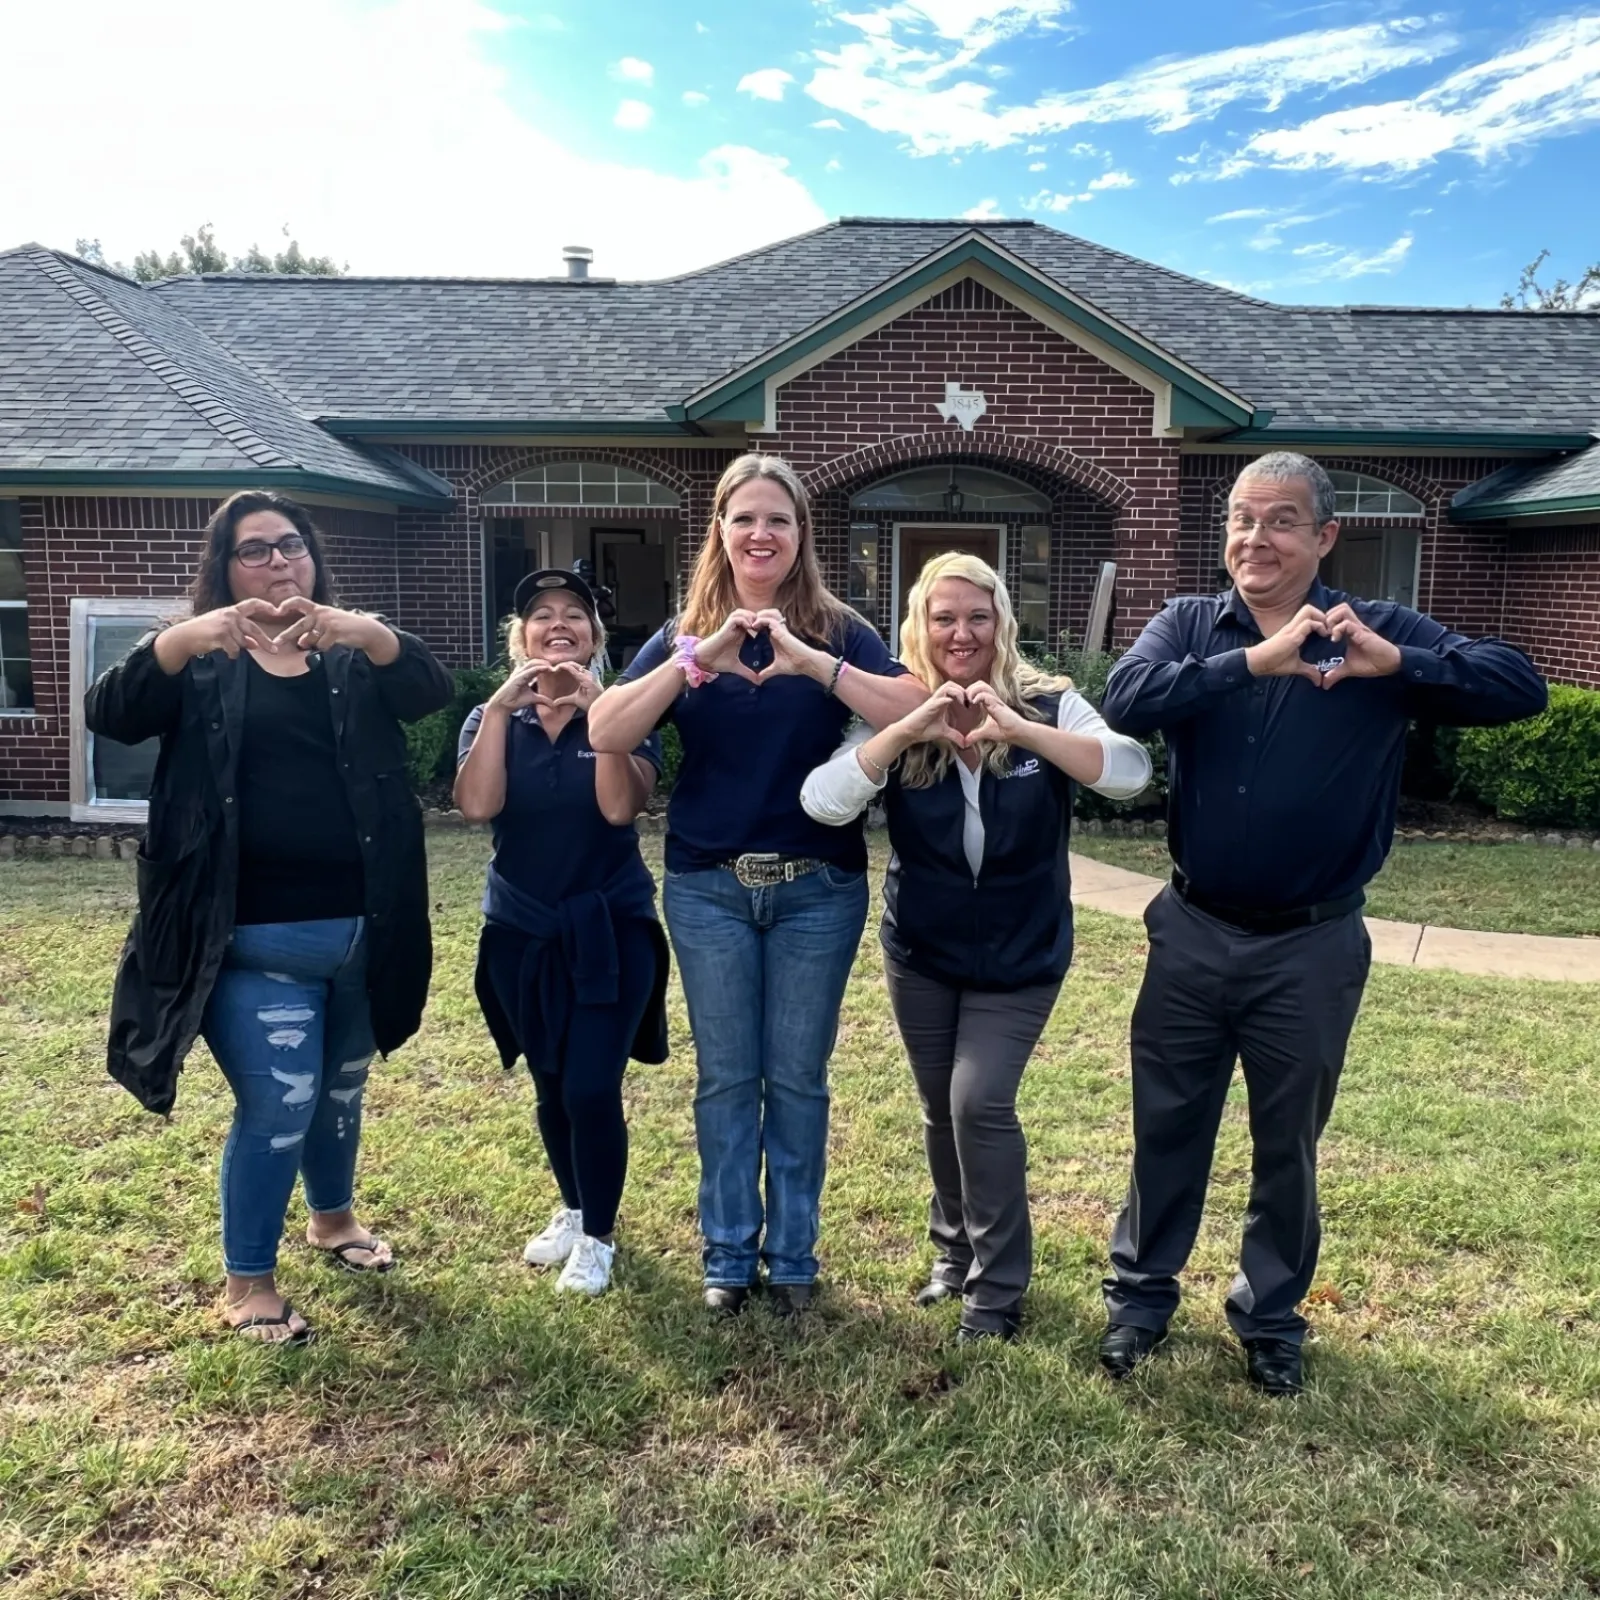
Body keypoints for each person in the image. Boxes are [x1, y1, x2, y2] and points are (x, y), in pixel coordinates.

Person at [1097, 451, 1548, 1395]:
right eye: (1241, 519)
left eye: (1281, 521)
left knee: (1287, 1138)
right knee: (1167, 1124)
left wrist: (1400, 663)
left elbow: (1519, 686)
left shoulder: (1375, 631)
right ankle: (1140, 1301)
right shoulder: (1188, 623)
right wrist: (1249, 663)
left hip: (1312, 941)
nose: (1255, 539)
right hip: (1190, 928)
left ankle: (1269, 1317)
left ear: (1325, 536)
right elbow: (1124, 703)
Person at [85, 490, 453, 1345]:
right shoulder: (199, 664)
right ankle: (248, 1279)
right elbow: (111, 711)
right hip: (250, 945)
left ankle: (333, 1220)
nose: (278, 561)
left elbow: (429, 688)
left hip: (364, 931)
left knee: (340, 1091)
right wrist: (181, 640)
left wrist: (365, 629)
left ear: (314, 558)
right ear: (225, 569)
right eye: (255, 550)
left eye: (291, 545)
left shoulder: (352, 659)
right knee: (280, 1105)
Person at [588, 453, 927, 1318]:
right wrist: (689, 662)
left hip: (819, 887)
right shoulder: (683, 632)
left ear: (800, 534)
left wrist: (812, 664)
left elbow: (912, 708)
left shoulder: (840, 628)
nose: (761, 534)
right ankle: (730, 1256)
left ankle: (795, 1258)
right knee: (729, 1079)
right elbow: (606, 728)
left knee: (800, 1078)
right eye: (745, 519)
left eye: (778, 519)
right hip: (709, 887)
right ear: (722, 533)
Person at [801, 553, 1151, 1341]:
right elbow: (822, 802)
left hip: (1022, 952)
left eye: (978, 616)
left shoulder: (1052, 702)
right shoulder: (895, 705)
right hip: (922, 949)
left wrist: (1021, 726)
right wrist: (900, 732)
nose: (961, 633)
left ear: (1002, 624)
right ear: (919, 626)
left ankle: (996, 1291)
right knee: (939, 1109)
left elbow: (1130, 773)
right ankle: (952, 1255)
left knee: (977, 1101)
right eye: (944, 617)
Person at [454, 568, 669, 1297]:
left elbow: (618, 810)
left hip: (610, 926)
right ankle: (576, 1210)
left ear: (594, 636)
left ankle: (601, 1238)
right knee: (549, 1081)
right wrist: (495, 706)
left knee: (589, 1086)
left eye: (573, 615)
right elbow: (479, 806)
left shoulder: (625, 712)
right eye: (540, 615)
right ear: (520, 636)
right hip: (520, 928)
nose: (557, 625)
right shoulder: (494, 721)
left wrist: (602, 713)